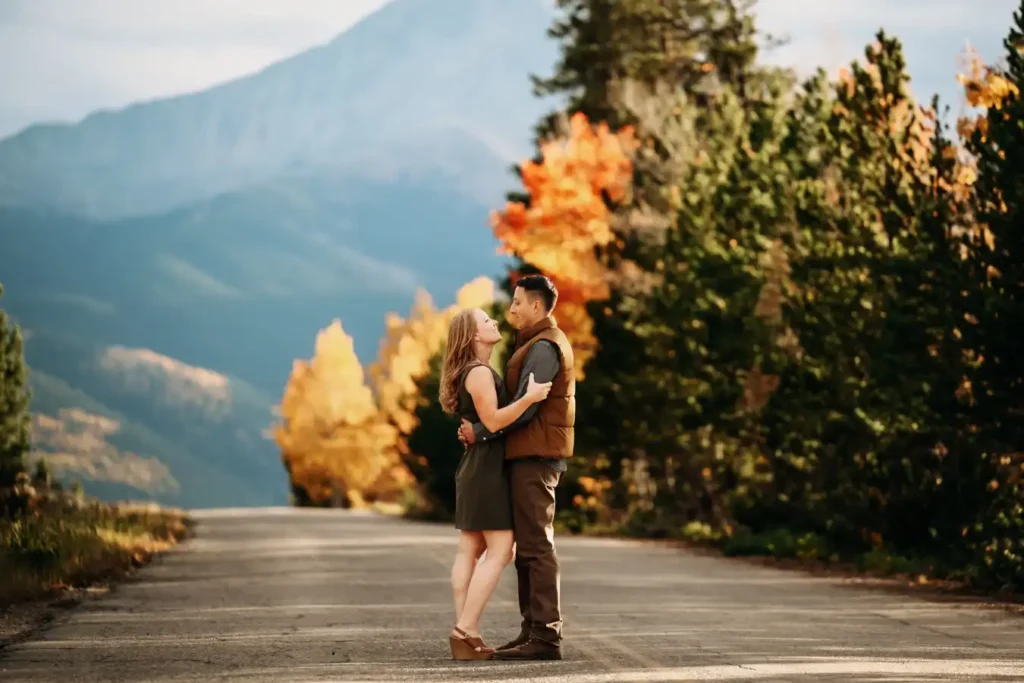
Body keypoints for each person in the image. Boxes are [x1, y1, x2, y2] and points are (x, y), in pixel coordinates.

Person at [458, 274, 575, 662]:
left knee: (537, 546)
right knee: (528, 547)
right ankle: (532, 630)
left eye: (518, 303)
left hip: (535, 457)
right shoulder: (533, 345)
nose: (511, 310)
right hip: (528, 454)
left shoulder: (544, 347)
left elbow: (528, 408)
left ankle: (545, 634)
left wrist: (480, 431)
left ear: (537, 307)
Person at [438, 306, 552, 661]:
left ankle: (465, 634)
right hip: (486, 470)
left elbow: (481, 424)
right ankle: (465, 630)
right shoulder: (480, 374)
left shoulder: (473, 372)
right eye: (487, 321)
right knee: (501, 551)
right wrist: (530, 398)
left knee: (470, 549)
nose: (495, 322)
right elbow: (495, 420)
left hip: (476, 466)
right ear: (474, 335)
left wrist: (477, 431)